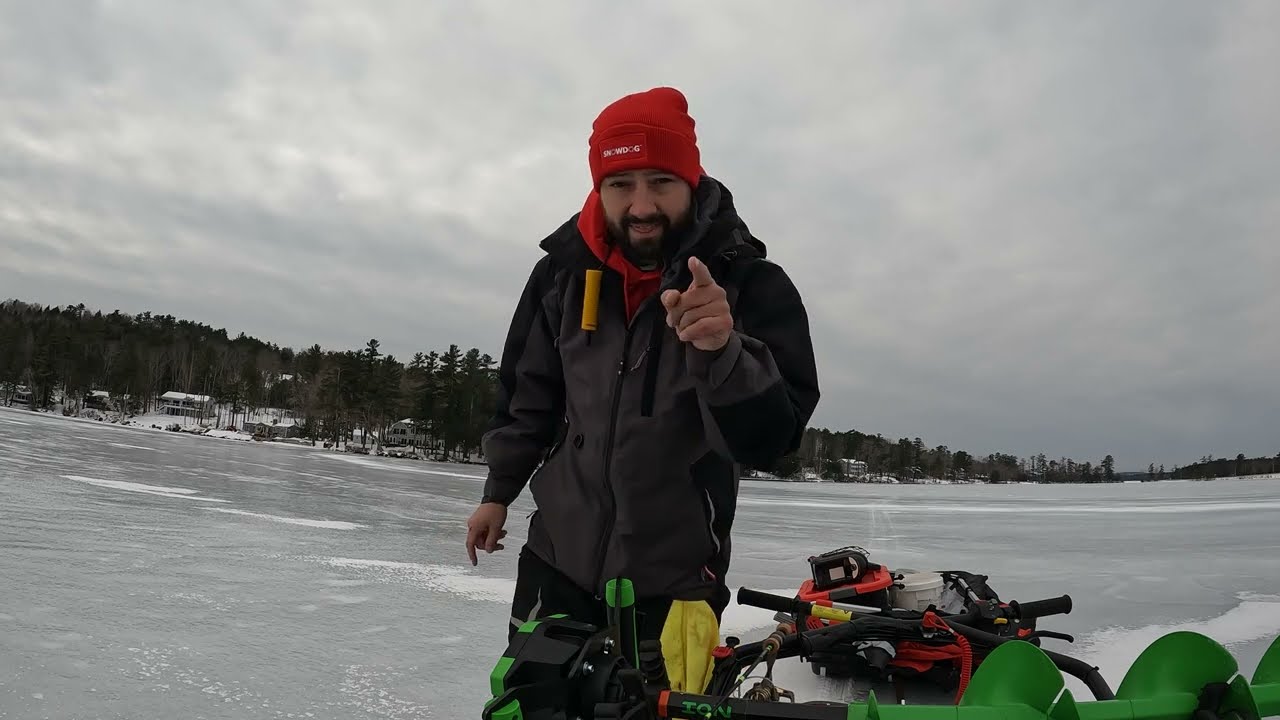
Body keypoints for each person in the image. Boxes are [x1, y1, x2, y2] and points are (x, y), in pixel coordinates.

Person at [464, 86, 820, 689]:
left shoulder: (751, 283)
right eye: (621, 183)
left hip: (676, 585)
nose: (641, 204)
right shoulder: (560, 276)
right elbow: (530, 397)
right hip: (556, 566)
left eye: (660, 181)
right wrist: (499, 490)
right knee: (528, 705)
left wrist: (721, 353)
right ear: (598, 189)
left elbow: (771, 438)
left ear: (692, 181)